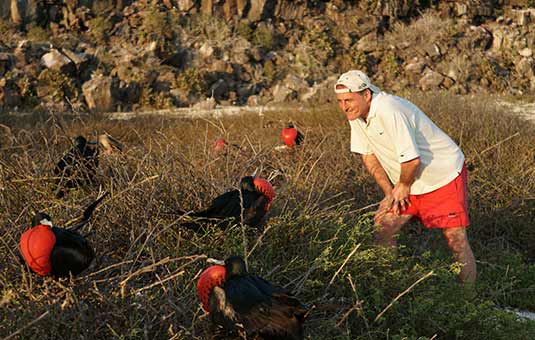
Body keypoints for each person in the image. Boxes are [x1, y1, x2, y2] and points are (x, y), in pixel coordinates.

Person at [334, 70, 476, 283]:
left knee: (455, 238)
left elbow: (412, 160)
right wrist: (389, 192)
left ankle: (469, 302)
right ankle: (390, 286)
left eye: (348, 100)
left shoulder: (389, 109)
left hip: (441, 175)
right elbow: (368, 156)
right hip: (408, 180)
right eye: (340, 101)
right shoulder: (356, 114)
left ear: (366, 95)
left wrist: (402, 185)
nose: (344, 106)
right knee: (384, 226)